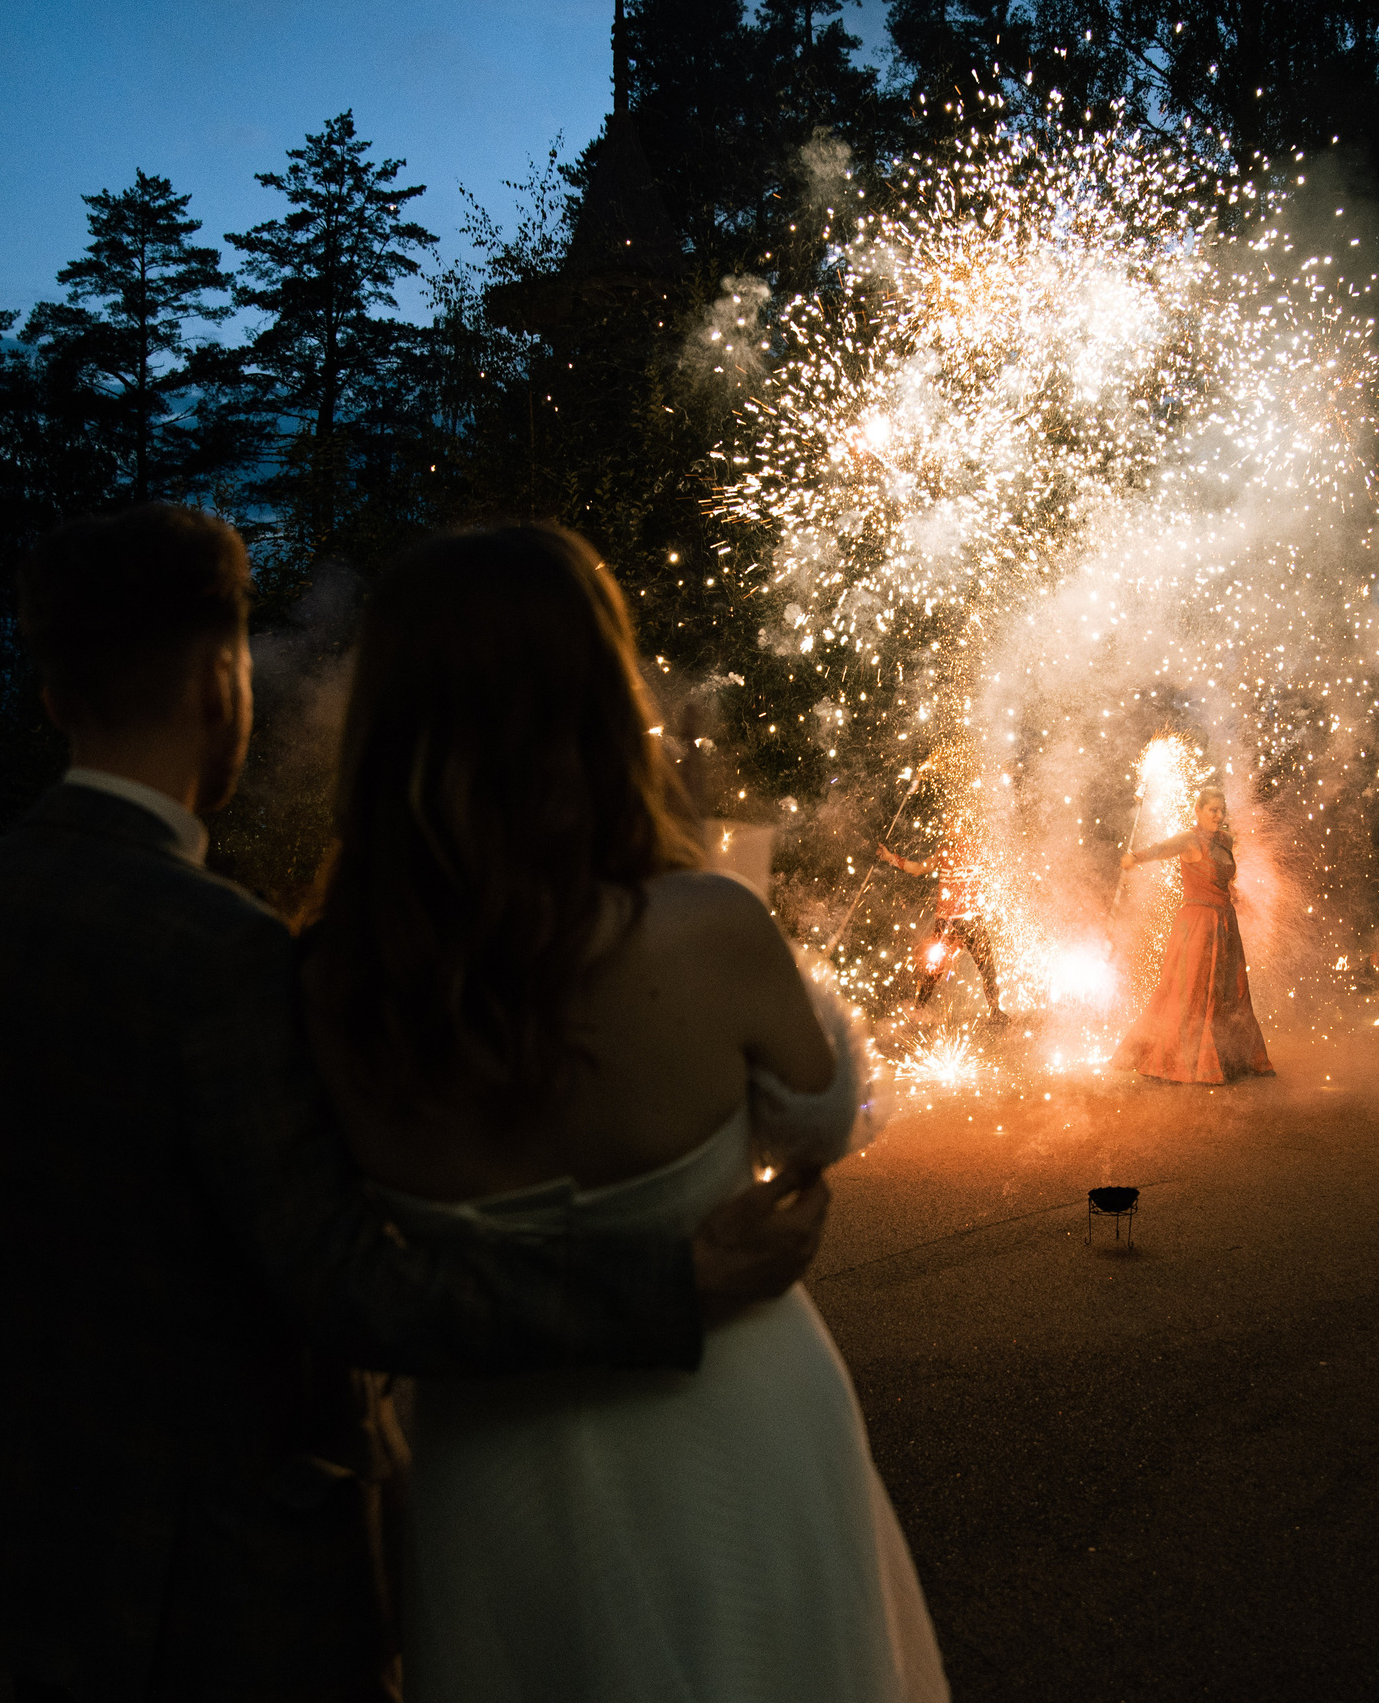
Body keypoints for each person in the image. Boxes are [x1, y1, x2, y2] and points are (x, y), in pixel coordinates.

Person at [0, 502, 831, 1703]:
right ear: (221, 682)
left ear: (49, 695)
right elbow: (351, 1285)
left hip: (34, 1545)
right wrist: (672, 1283)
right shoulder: (222, 954)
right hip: (231, 1573)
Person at [300, 524, 947, 1703]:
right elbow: (824, 1121)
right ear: (600, 702)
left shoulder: (326, 986)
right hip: (732, 1425)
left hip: (486, 1468)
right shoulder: (707, 927)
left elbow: (339, 1271)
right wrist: (764, 951)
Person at [1111, 785, 1275, 1084]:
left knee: (1230, 992)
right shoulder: (1189, 839)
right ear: (1198, 811)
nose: (1218, 815)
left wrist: (1238, 898)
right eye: (1212, 809)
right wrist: (1135, 857)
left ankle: (1230, 1057)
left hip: (1225, 924)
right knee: (1191, 990)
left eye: (1221, 810)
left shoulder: (1226, 840)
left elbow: (1224, 879)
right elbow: (1162, 849)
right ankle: (1177, 1059)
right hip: (1197, 925)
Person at [874, 832, 1004, 1020]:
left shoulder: (976, 846)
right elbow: (918, 868)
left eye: (949, 823)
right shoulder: (943, 852)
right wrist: (890, 858)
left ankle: (995, 1011)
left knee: (985, 968)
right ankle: (918, 1010)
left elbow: (996, 864)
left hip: (968, 920)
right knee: (934, 966)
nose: (945, 828)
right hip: (948, 922)